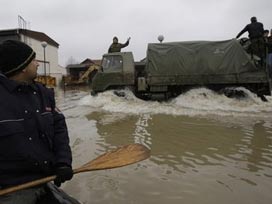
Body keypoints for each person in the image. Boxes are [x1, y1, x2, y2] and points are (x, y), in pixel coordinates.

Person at [0, 40, 78, 204]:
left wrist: (63, 163)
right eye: (33, 60)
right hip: (11, 191)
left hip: (44, 181)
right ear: (22, 67)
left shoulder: (43, 93)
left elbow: (59, 129)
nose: (37, 64)